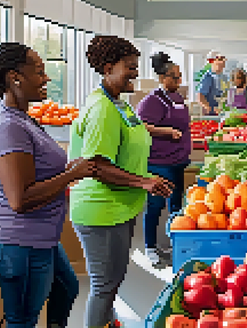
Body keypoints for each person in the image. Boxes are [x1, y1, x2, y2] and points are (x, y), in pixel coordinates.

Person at [0, 42, 91, 328]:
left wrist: (68, 172)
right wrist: (70, 175)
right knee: (23, 320)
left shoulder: (21, 118)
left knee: (66, 289)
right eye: (39, 72)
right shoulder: (8, 128)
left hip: (39, 238)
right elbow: (20, 199)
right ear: (15, 77)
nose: (47, 78)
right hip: (18, 242)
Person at [69, 35, 174, 328]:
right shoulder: (102, 108)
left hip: (119, 207)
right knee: (104, 285)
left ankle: (109, 323)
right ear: (107, 67)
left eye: (136, 66)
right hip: (100, 209)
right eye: (129, 67)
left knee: (113, 280)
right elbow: (97, 165)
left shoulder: (118, 105)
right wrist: (144, 182)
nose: (135, 72)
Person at [136, 52, 191, 268]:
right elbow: (142, 127)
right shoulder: (151, 101)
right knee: (155, 204)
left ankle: (173, 242)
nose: (178, 81)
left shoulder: (177, 98)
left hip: (178, 161)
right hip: (159, 162)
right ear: (161, 77)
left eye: (179, 77)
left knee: (176, 205)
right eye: (173, 77)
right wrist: (167, 132)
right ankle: (150, 247)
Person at [198, 51, 227, 115]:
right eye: (219, 60)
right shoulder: (208, 77)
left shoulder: (224, 77)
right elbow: (200, 96)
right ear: (211, 62)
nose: (222, 63)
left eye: (223, 61)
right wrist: (209, 108)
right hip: (212, 114)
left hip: (223, 112)